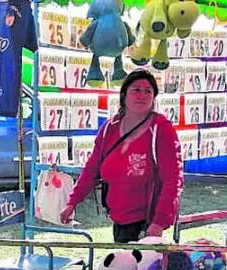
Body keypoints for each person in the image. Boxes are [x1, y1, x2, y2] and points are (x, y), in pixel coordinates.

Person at [61, 69, 184, 242]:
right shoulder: (110, 127)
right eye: (136, 89)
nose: (142, 95)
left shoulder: (161, 128)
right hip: (118, 217)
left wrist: (159, 221)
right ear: (124, 94)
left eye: (148, 91)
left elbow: (173, 179)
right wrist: (72, 202)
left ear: (154, 98)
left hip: (146, 223)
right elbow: (92, 168)